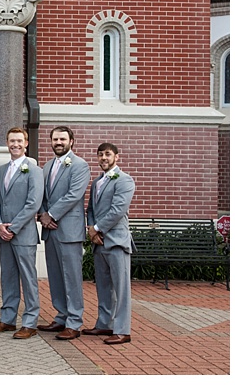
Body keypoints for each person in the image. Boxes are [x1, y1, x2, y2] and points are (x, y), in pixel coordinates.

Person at [0, 127, 44, 340]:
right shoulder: (0, 171)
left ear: (26, 143)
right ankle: (7, 319)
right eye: (12, 141)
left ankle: (30, 322)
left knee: (28, 279)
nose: (15, 145)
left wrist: (13, 227)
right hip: (3, 234)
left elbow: (33, 203)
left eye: (19, 141)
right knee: (8, 277)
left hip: (24, 234)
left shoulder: (34, 170)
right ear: (7, 143)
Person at [37, 125, 90, 339]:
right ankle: (61, 317)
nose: (58, 143)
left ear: (71, 141)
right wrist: (42, 214)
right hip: (50, 230)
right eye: (55, 139)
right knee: (56, 276)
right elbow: (41, 194)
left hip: (68, 230)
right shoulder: (48, 166)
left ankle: (74, 322)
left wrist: (51, 214)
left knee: (71, 277)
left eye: (62, 139)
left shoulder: (79, 165)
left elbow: (74, 194)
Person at [84, 142, 136, 345]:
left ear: (117, 157)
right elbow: (90, 210)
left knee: (121, 289)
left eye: (107, 154)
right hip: (99, 242)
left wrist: (96, 229)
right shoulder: (97, 182)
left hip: (116, 242)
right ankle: (105, 323)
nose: (103, 158)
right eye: (100, 155)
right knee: (104, 287)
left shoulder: (124, 180)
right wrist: (91, 229)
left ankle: (123, 329)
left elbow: (118, 210)